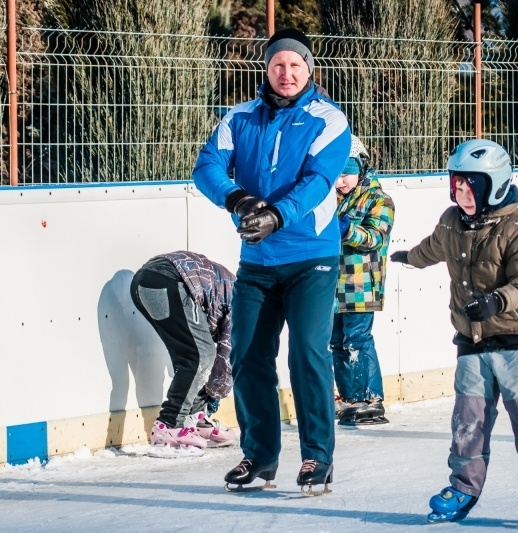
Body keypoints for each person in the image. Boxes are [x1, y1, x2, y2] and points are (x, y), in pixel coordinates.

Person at [192, 28, 351, 494]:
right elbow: (207, 168)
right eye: (278, 64)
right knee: (247, 356)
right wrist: (239, 200)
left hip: (312, 258)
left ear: (309, 69)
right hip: (258, 262)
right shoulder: (239, 118)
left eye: (295, 65)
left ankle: (317, 458)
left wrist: (277, 216)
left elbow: (320, 180)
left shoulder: (329, 120)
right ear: (266, 68)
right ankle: (259, 457)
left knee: (306, 353)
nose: (286, 73)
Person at [389, 139, 518, 527]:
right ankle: (464, 487)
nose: (461, 192)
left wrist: (497, 301)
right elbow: (435, 247)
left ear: (493, 185)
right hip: (471, 342)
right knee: (467, 421)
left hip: (515, 339)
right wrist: (410, 258)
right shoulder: (452, 221)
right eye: (456, 184)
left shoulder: (517, 228)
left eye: (471, 185)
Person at [130, 250, 237, 457]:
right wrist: (213, 397)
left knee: (188, 354)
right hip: (170, 280)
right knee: (201, 356)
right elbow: (226, 359)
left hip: (143, 282)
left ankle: (193, 415)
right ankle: (169, 423)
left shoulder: (236, 289)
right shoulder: (245, 306)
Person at [331, 135, 395, 426]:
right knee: (337, 343)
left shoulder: (379, 200)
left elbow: (374, 238)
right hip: (330, 285)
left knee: (357, 340)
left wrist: (346, 230)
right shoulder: (331, 198)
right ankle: (349, 398)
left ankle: (371, 398)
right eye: (335, 173)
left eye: (346, 173)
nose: (340, 181)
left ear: (361, 168)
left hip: (360, 285)